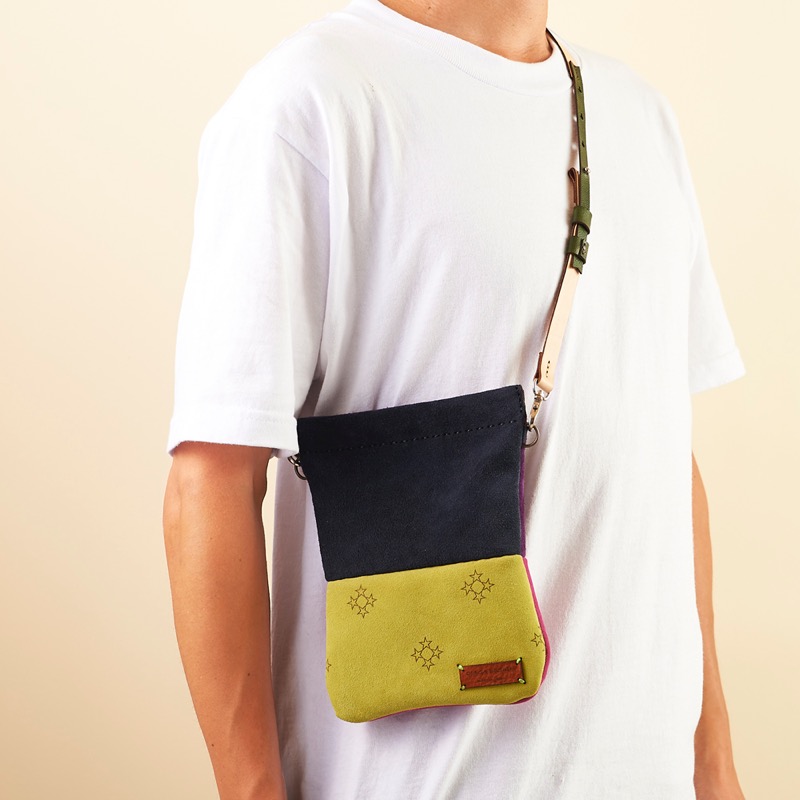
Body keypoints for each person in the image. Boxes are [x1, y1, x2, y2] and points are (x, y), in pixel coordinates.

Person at [162, 1, 748, 797]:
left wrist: (714, 768)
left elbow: (663, 454)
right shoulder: (310, 103)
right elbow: (210, 480)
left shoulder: (640, 115)